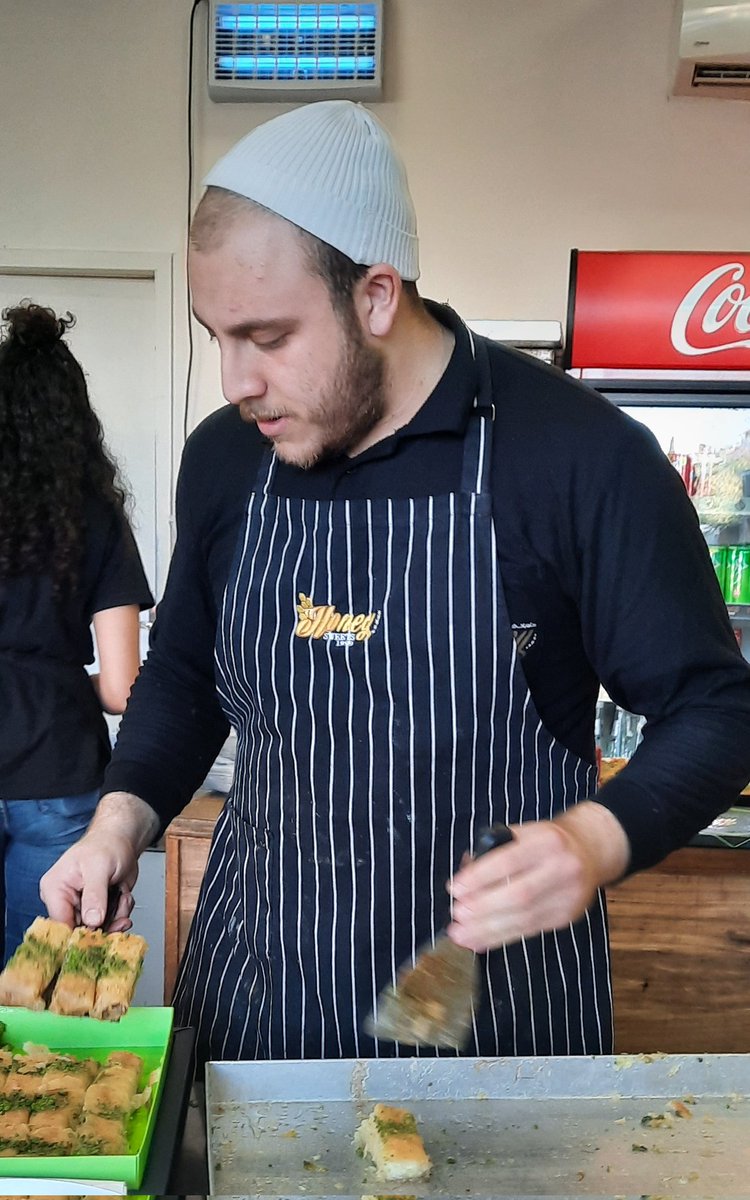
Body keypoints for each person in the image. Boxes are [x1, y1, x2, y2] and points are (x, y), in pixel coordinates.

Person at [41, 101, 750, 1063]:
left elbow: (716, 708)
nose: (235, 381)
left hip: (496, 1025)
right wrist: (120, 819)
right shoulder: (227, 460)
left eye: (268, 337)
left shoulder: (579, 457)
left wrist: (596, 839)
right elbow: (184, 676)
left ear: (377, 295)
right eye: (218, 336)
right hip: (260, 1005)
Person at [0, 301, 154, 962]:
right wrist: (61, 684)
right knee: (45, 980)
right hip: (58, 768)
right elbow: (122, 688)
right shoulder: (94, 516)